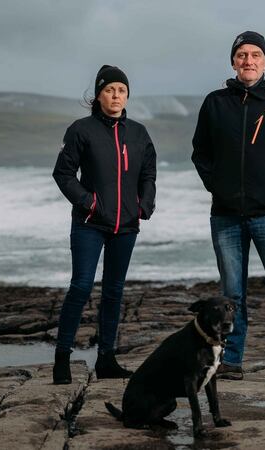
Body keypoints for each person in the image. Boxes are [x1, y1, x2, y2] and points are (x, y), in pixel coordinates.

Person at [191, 31, 265, 389]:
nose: (248, 60)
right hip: (225, 213)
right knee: (231, 293)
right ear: (233, 61)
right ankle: (232, 360)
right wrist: (217, 185)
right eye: (242, 54)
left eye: (255, 54)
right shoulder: (215, 102)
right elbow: (201, 152)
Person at [51, 65, 157, 384]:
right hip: (89, 223)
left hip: (125, 225)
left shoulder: (138, 133)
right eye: (109, 90)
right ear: (98, 95)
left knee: (114, 291)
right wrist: (89, 202)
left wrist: (144, 205)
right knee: (81, 286)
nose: (115, 96)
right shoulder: (81, 130)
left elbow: (148, 174)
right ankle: (62, 359)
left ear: (127, 96)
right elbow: (63, 174)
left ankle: (107, 359)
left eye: (121, 91)